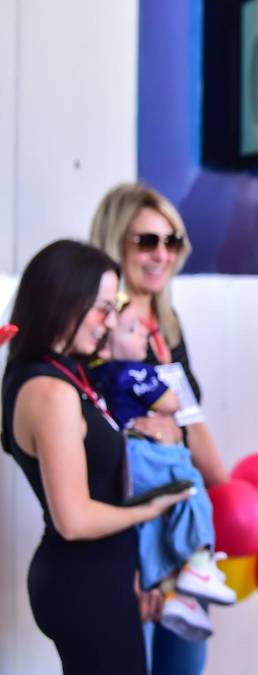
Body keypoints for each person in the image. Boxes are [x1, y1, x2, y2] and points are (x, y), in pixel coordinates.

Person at [2, 240, 191, 675]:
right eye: (103, 309)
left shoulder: (66, 376)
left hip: (102, 573)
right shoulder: (50, 390)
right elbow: (73, 520)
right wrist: (152, 507)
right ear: (66, 300)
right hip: (83, 581)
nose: (109, 323)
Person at [91, 182, 229, 675]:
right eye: (147, 241)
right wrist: (132, 562)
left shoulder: (166, 323)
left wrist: (219, 495)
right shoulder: (99, 329)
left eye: (172, 242)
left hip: (181, 529)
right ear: (114, 241)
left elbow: (190, 421)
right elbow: (92, 452)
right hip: (132, 533)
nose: (162, 254)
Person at [90, 301, 237, 641]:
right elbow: (172, 403)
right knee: (189, 488)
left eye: (143, 327)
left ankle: (172, 591)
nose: (143, 334)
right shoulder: (136, 372)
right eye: (132, 330)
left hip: (129, 460)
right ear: (106, 342)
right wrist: (163, 378)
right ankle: (198, 562)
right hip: (148, 453)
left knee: (154, 520)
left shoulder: (99, 375)